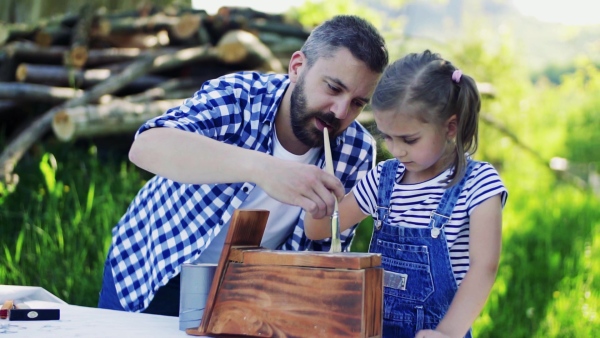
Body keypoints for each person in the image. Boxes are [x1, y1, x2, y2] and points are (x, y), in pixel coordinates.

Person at [97, 15, 389, 316]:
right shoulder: (241, 96)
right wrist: (266, 170)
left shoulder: (357, 150)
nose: (340, 112)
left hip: (252, 288)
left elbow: (327, 251)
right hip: (155, 264)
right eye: (332, 88)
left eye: (357, 103)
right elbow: (147, 147)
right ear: (297, 68)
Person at [304, 50, 507, 338]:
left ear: (450, 127)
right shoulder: (383, 179)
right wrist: (318, 204)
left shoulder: (478, 183)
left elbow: (484, 266)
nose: (396, 150)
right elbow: (322, 230)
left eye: (409, 139)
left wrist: (448, 332)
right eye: (387, 136)